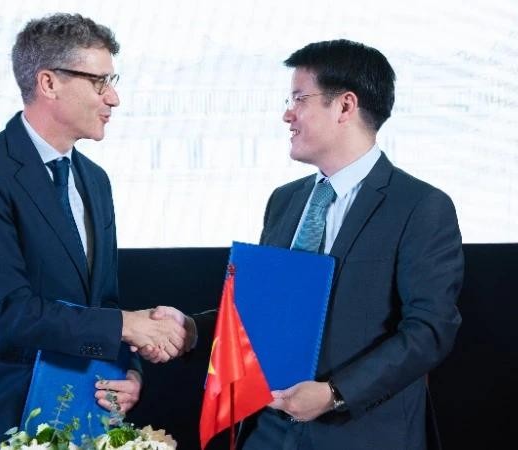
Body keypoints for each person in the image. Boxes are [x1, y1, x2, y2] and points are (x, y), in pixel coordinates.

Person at [151, 39, 464, 450]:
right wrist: (191, 329)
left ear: (345, 106)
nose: (287, 114)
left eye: (299, 98)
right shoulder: (286, 200)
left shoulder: (420, 206)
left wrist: (335, 392)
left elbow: (429, 331)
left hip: (361, 432)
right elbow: (264, 314)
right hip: (267, 429)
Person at [0, 13, 189, 450]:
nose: (114, 98)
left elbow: (101, 303)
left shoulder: (94, 180)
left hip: (80, 417)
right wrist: (126, 328)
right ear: (49, 83)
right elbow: (10, 312)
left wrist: (127, 372)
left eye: (113, 80)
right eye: (99, 82)